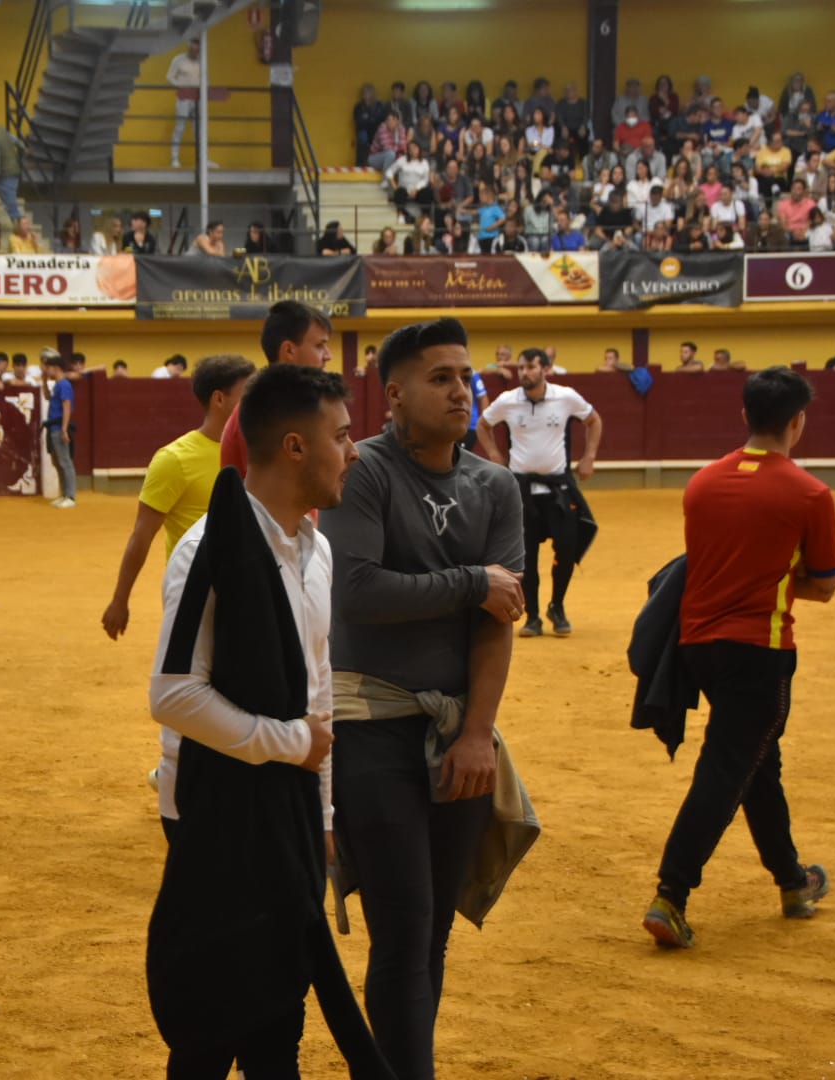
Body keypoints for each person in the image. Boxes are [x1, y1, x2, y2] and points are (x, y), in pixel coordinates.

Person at [147, 363, 388, 1080]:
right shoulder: (205, 552)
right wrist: (290, 746)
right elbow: (172, 694)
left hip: (287, 815)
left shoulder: (317, 552)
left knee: (278, 1019)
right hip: (219, 819)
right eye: (342, 436)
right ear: (294, 446)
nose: (353, 451)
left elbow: (318, 697)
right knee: (211, 1030)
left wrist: (322, 812)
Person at [319, 318, 528, 1080]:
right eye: (439, 377)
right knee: (403, 932)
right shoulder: (364, 470)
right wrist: (474, 581)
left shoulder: (495, 486)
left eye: (465, 375)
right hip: (370, 725)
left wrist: (478, 734)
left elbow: (499, 622)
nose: (460, 390)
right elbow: (359, 589)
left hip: (454, 736)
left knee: (431, 932)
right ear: (395, 393)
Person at [642, 367, 835, 951]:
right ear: (797, 421)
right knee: (730, 767)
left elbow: (708, 565)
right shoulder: (809, 492)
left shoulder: (701, 483)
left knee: (757, 761)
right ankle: (669, 896)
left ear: (744, 416)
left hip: (698, 646)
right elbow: (824, 585)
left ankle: (793, 882)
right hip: (760, 651)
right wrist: (772, 577)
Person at [102, 353, 255, 641]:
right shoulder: (174, 460)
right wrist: (120, 600)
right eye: (247, 395)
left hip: (248, 587)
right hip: (195, 589)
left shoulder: (261, 452)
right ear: (219, 399)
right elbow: (141, 535)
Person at [477, 348, 602, 637]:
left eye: (531, 367)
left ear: (545, 369)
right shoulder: (508, 401)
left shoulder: (565, 396)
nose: (524, 373)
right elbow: (484, 425)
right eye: (521, 368)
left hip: (558, 487)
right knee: (525, 555)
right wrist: (494, 453)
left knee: (568, 547)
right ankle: (532, 616)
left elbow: (594, 420)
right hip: (521, 490)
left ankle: (556, 606)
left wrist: (589, 456)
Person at [220, 302, 332, 475]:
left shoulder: (287, 405)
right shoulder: (262, 411)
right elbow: (277, 493)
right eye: (319, 346)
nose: (328, 356)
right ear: (289, 351)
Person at [43, 353, 76, 508]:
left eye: (47, 368)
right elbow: (47, 397)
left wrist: (64, 429)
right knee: (58, 462)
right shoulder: (58, 384)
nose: (46, 370)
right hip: (53, 427)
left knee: (65, 462)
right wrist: (43, 380)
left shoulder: (64, 384)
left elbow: (66, 406)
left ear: (55, 367)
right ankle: (64, 494)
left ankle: (70, 496)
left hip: (59, 427)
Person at [166, 39, 203, 170]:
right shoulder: (178, 60)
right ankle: (174, 158)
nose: (194, 53)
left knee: (199, 129)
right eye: (192, 50)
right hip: (183, 98)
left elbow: (205, 78)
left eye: (197, 51)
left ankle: (203, 159)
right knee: (180, 127)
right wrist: (181, 86)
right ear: (188, 49)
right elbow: (170, 77)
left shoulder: (201, 61)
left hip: (198, 98)